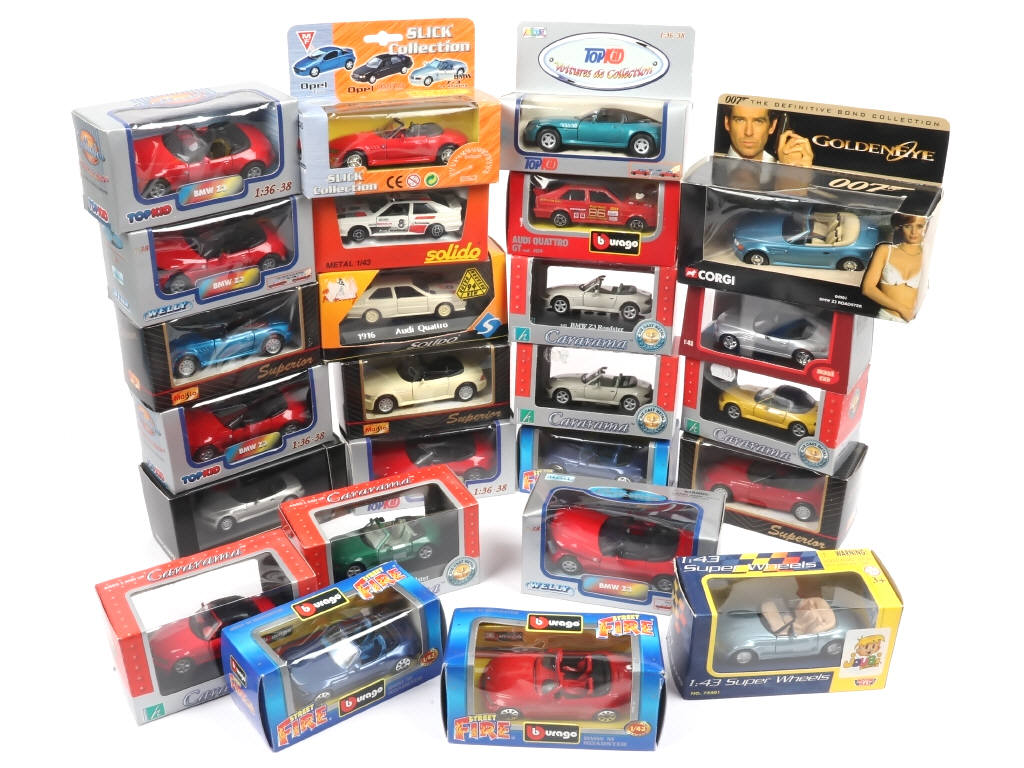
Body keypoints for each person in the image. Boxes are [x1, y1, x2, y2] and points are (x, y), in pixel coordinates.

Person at [861, 214, 927, 322]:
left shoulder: (928, 256)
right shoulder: (885, 250)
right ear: (900, 227)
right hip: (886, 317)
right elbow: (868, 289)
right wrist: (902, 309)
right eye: (908, 226)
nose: (913, 232)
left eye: (919, 226)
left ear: (926, 227)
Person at [724, 104, 814, 167]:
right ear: (727, 123)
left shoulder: (783, 166)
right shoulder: (715, 167)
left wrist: (796, 175)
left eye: (758, 121)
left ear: (772, 126)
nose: (748, 132)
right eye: (740, 120)